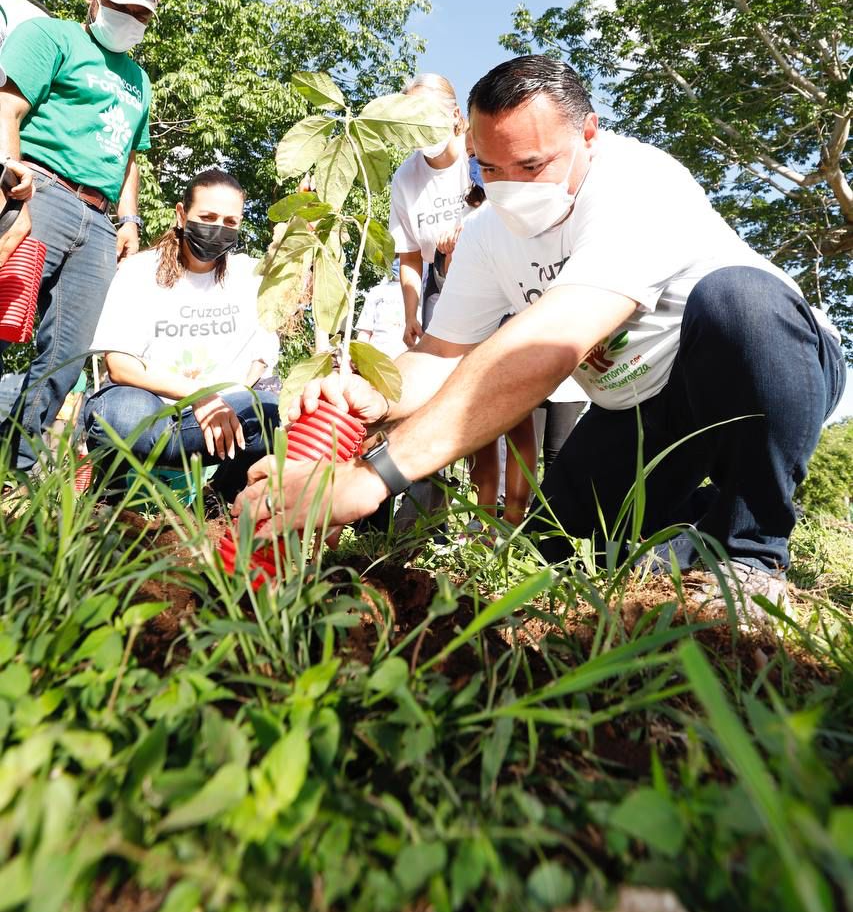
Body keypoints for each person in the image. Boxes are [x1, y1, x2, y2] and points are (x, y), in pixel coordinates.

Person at [236, 55, 847, 621]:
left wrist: (376, 476)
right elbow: (444, 354)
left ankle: (751, 550)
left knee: (739, 299)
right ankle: (696, 531)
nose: (510, 188)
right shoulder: (485, 234)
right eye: (490, 168)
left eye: (531, 166)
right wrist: (381, 397)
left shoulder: (640, 183)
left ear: (588, 132)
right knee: (563, 535)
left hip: (759, 367)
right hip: (639, 405)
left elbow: (549, 344)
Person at [0, 0, 158, 473]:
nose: (130, 19)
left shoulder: (140, 81)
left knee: (68, 353)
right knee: (3, 317)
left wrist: (129, 221)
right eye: (120, 7)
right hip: (39, 189)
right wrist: (9, 172)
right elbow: (8, 108)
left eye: (140, 14)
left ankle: (18, 467)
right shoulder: (51, 37)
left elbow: (131, 157)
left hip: (99, 219)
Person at [84, 169, 280, 499]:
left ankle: (218, 502)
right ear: (181, 214)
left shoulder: (249, 276)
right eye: (207, 216)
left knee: (266, 411)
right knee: (120, 414)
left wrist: (233, 395)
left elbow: (263, 351)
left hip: (211, 427)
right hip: (148, 416)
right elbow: (119, 364)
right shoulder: (139, 271)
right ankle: (109, 501)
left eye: (230, 222)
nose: (218, 228)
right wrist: (200, 394)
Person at [389, 73, 470, 346]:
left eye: (429, 116)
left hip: (491, 270)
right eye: (413, 121)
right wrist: (410, 314)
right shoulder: (405, 178)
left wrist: (464, 233)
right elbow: (410, 255)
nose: (421, 128)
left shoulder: (477, 156)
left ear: (455, 115)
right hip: (439, 283)